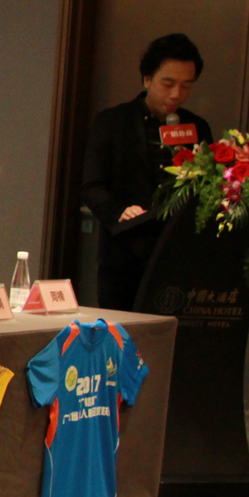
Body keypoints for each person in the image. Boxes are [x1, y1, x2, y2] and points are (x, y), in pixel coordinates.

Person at [81, 32, 214, 310]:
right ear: (147, 79)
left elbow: (208, 188)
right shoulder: (113, 122)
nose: (176, 94)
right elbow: (92, 186)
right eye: (168, 84)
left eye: (186, 86)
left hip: (176, 258)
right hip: (124, 257)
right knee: (121, 331)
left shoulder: (197, 127)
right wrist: (119, 211)